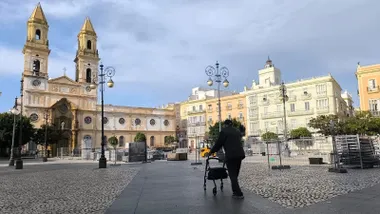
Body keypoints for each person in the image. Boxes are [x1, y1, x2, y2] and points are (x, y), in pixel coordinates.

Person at [209, 120, 245, 199]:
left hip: (231, 155)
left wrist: (211, 151)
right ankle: (236, 190)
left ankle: (238, 193)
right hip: (240, 155)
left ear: (225, 125)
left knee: (232, 175)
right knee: (235, 174)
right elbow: (241, 135)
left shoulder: (224, 132)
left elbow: (219, 143)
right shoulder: (236, 131)